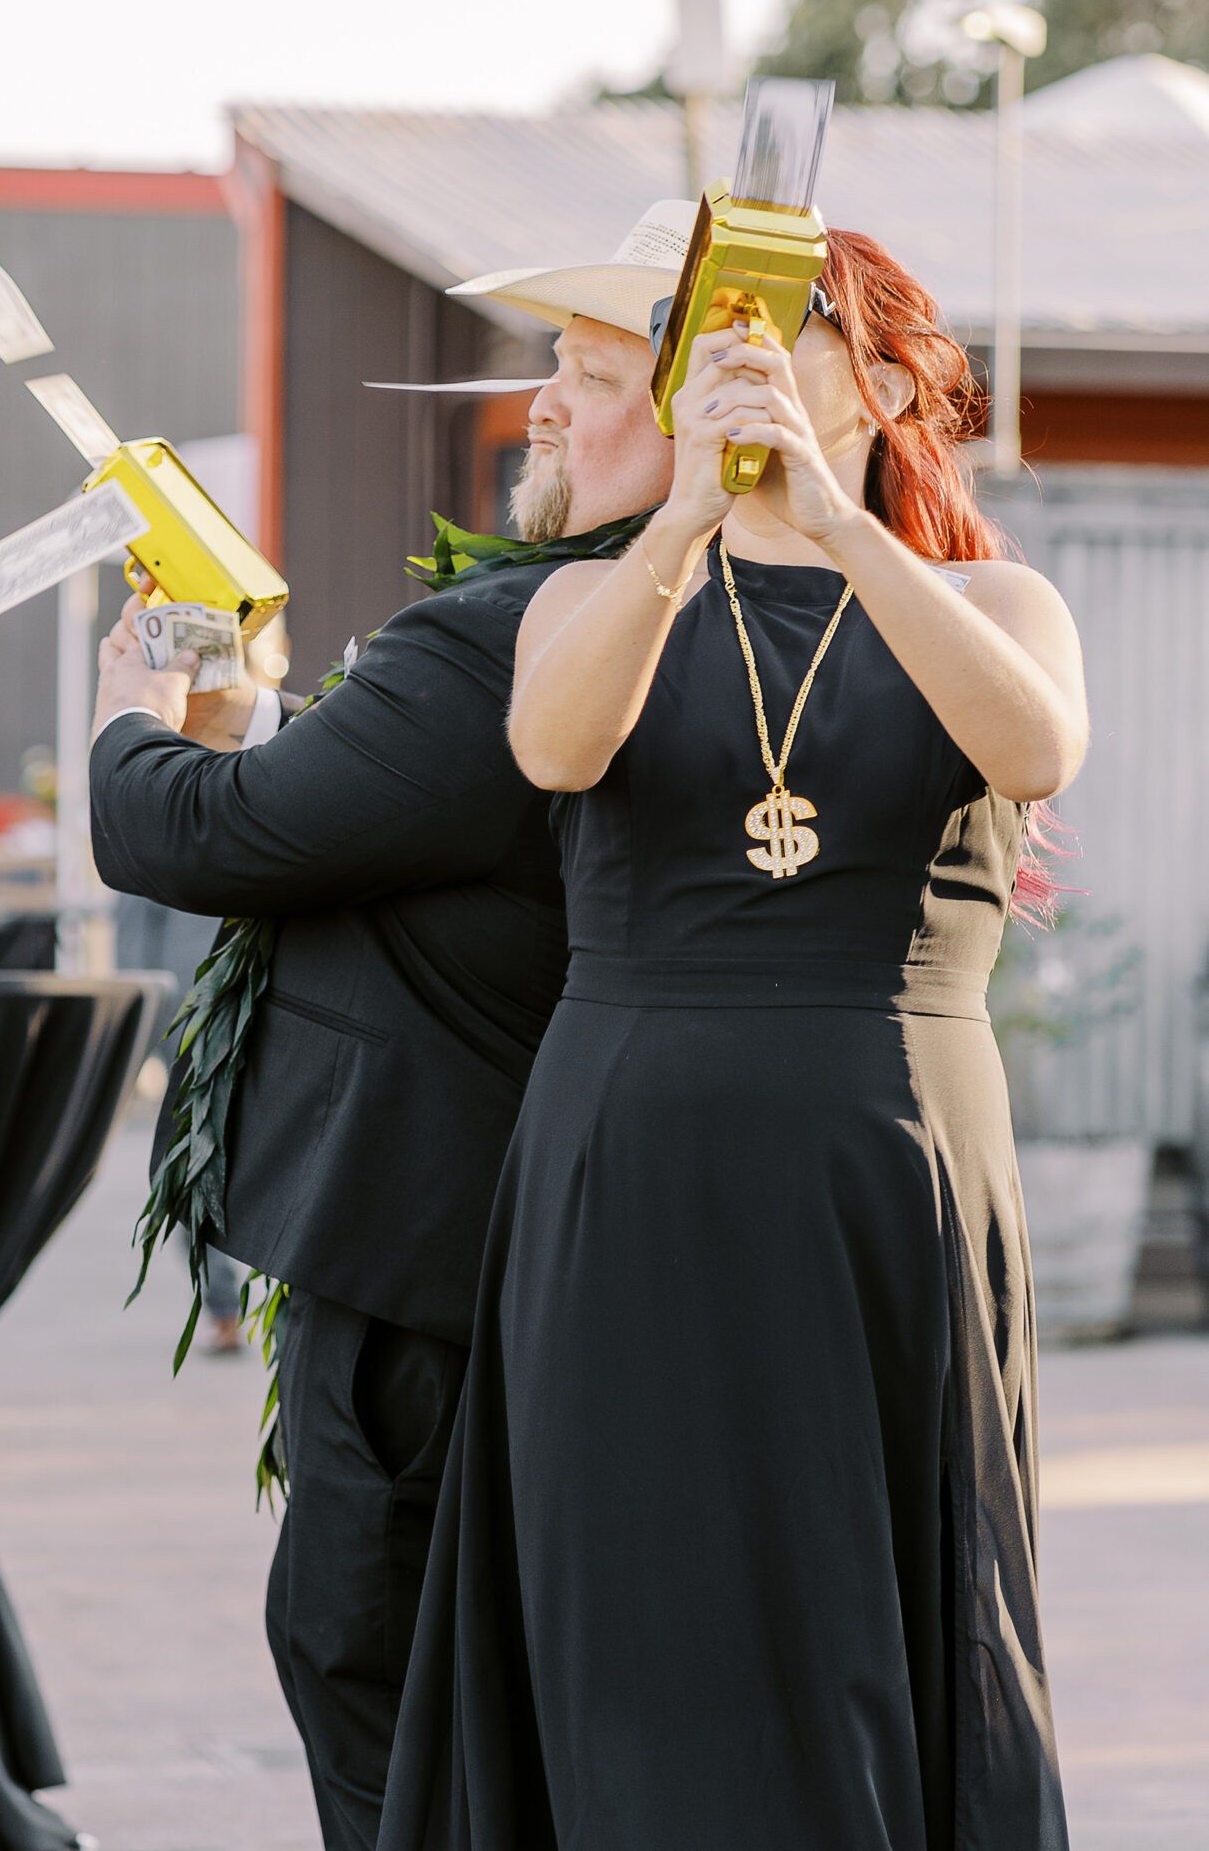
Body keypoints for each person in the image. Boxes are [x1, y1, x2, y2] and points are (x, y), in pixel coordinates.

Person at [378, 230, 1087, 1851]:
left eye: (788, 324)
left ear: (889, 378)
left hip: (883, 1184)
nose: (740, 350)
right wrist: (688, 512)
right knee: (631, 1616)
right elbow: (555, 749)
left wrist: (834, 520)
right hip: (628, 1178)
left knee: (876, 1611)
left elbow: (1035, 749)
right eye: (707, 325)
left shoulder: (993, 600)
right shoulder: (594, 592)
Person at [86, 203, 692, 1851]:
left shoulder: (504, 640)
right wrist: (266, 724)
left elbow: (189, 837)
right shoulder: (695, 628)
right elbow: (396, 824)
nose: (540, 407)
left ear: (706, 418)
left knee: (371, 1667)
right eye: (545, 371)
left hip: (426, 1266)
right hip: (569, 1253)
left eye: (587, 376)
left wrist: (133, 715)